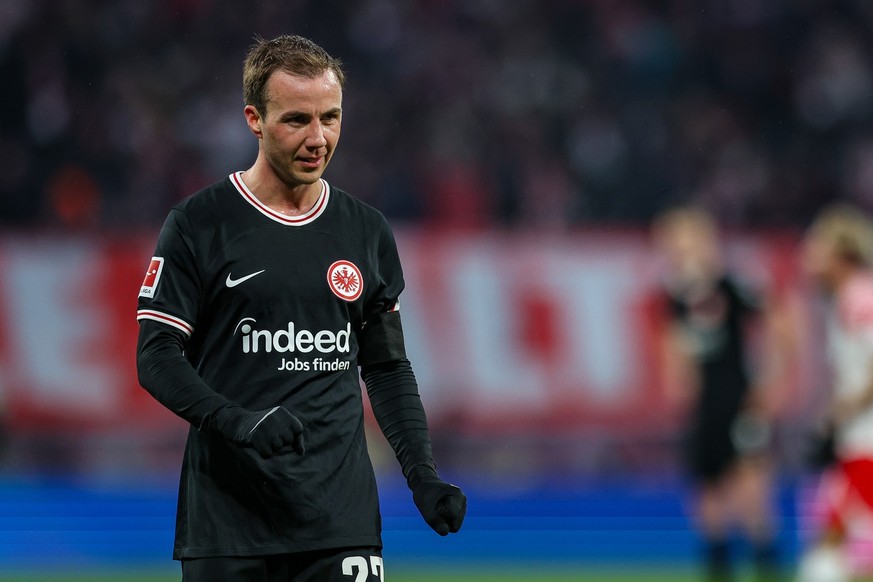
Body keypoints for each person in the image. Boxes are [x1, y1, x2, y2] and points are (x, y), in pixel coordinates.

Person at [135, 35, 466, 582]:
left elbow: (385, 368)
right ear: (254, 120)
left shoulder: (365, 230)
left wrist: (422, 475)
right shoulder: (200, 224)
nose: (319, 138)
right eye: (296, 120)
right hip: (229, 523)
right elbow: (156, 356)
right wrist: (237, 421)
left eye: (331, 117)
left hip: (341, 522)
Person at [653, 208, 787, 582]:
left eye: (685, 242)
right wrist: (678, 377)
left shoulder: (731, 284)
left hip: (741, 402)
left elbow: (778, 319)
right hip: (705, 407)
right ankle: (719, 564)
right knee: (706, 488)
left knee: (751, 488)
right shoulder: (677, 297)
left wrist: (774, 381)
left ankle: (766, 560)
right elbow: (674, 350)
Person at [796, 205, 873, 582]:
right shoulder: (848, 298)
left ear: (842, 253)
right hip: (855, 442)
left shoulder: (861, 298)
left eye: (817, 246)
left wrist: (841, 411)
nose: (807, 255)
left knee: (843, 552)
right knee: (829, 548)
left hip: (867, 442)